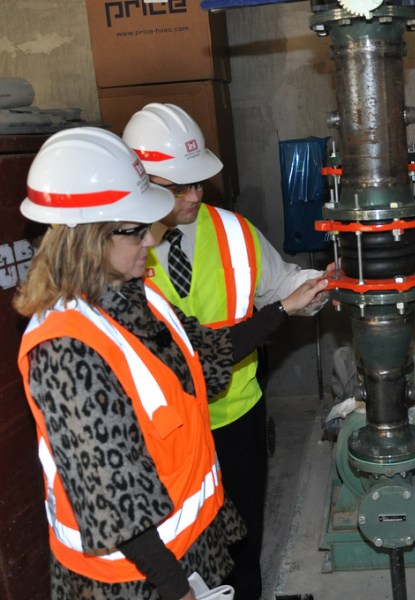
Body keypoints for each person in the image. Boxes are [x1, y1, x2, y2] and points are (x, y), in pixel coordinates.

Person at [14, 126, 328, 600]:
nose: (151, 239)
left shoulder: (135, 298)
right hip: (135, 580)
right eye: (136, 230)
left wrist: (282, 309)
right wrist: (176, 589)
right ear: (88, 237)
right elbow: (116, 497)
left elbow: (206, 353)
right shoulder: (66, 350)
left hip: (187, 547)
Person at [122, 102, 327, 600]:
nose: (195, 194)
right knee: (178, 544)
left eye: (199, 182)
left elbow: (282, 284)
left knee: (242, 542)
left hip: (234, 412)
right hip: (160, 431)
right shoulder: (117, 252)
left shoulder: (233, 230)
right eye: (180, 186)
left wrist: (325, 285)